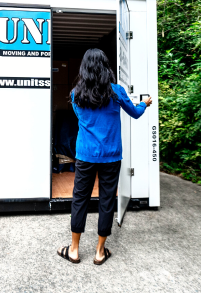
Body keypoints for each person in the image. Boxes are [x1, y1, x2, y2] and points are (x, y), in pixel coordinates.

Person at [57, 48, 152, 265]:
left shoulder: (75, 94)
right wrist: (143, 104)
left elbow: (84, 119)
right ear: (105, 67)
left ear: (84, 69)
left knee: (80, 199)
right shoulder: (116, 92)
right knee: (107, 200)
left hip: (85, 155)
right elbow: (136, 114)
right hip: (111, 156)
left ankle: (74, 250)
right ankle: (100, 252)